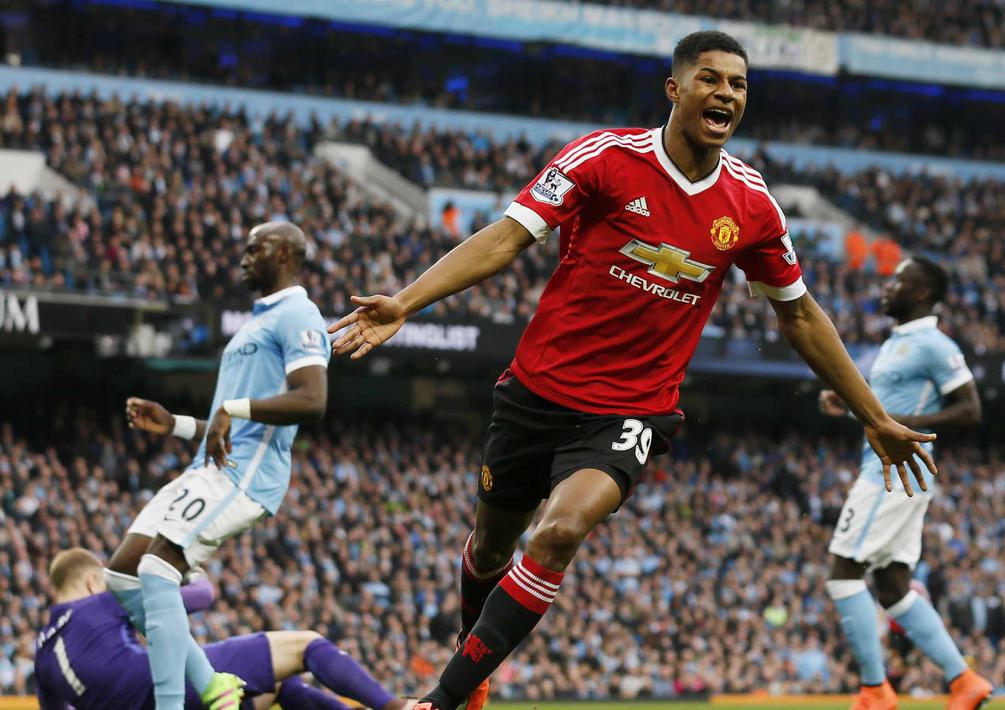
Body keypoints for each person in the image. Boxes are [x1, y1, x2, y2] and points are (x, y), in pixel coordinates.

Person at [328, 30, 937, 710]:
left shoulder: (752, 204)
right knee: (491, 547)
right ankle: (474, 674)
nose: (726, 94)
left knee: (560, 531)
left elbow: (797, 314)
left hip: (631, 408)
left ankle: (440, 700)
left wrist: (874, 417)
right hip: (536, 392)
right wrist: (405, 302)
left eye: (737, 85)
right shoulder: (605, 158)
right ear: (674, 89)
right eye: (710, 79)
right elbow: (505, 238)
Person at [105, 222, 331, 709]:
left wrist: (236, 409)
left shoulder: (298, 314)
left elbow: (312, 400)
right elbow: (226, 423)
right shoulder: (255, 322)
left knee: (158, 566)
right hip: (210, 465)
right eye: (246, 248)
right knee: (123, 574)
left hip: (247, 473)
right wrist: (177, 425)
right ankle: (211, 685)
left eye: (258, 248)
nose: (246, 256)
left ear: (288, 253)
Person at [819, 257, 992, 710]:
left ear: (921, 293)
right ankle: (965, 681)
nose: (887, 287)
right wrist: (848, 400)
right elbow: (885, 404)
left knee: (843, 576)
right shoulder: (897, 343)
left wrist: (906, 423)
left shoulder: (935, 344)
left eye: (898, 281)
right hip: (893, 472)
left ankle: (875, 691)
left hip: (891, 472)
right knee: (894, 588)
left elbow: (970, 408)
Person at [35, 548, 409, 710]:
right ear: (91, 582)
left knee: (273, 685)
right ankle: (395, 707)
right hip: (162, 685)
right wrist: (184, 568)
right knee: (304, 644)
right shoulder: (100, 601)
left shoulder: (42, 657)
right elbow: (202, 595)